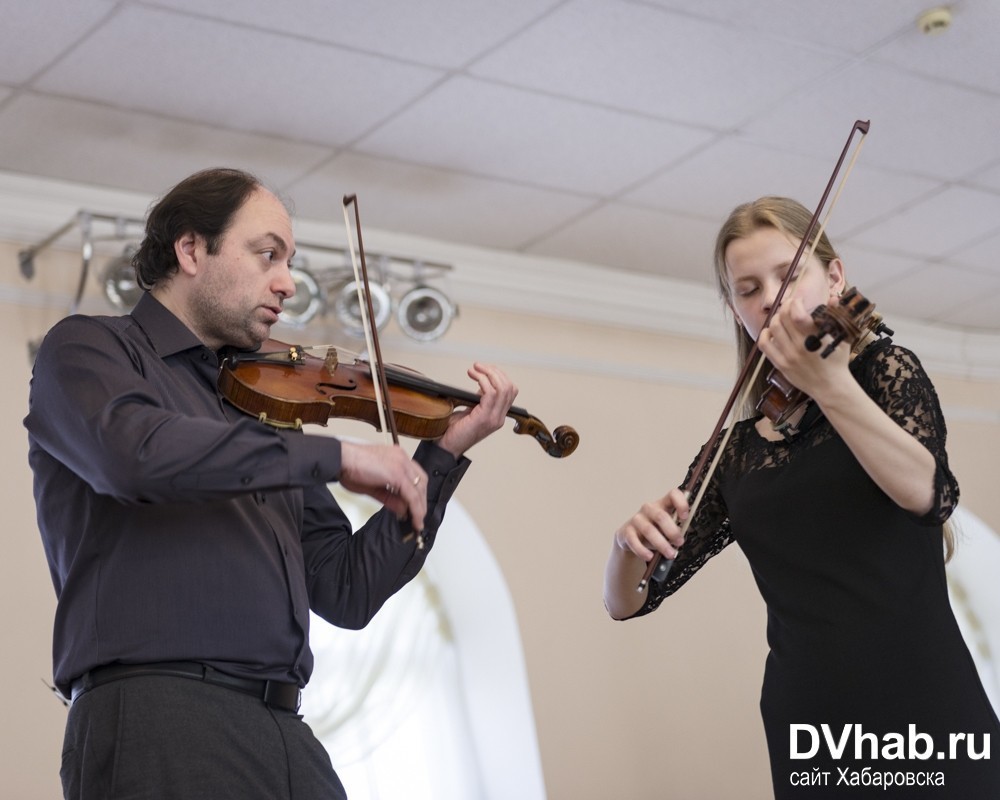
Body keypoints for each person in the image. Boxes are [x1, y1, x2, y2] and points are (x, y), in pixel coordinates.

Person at [25, 167, 518, 800]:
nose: (286, 283)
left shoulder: (264, 410)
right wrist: (336, 456)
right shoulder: (91, 349)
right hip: (158, 712)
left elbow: (346, 587)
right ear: (192, 249)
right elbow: (134, 455)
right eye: (268, 255)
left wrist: (441, 455)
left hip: (283, 728)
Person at [603, 196, 1000, 798]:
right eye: (746, 288)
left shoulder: (886, 373)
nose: (768, 297)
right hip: (811, 719)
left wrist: (831, 383)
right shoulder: (735, 451)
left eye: (788, 275)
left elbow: (933, 496)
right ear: (735, 308)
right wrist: (625, 548)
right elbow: (629, 601)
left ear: (834, 278)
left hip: (924, 701)